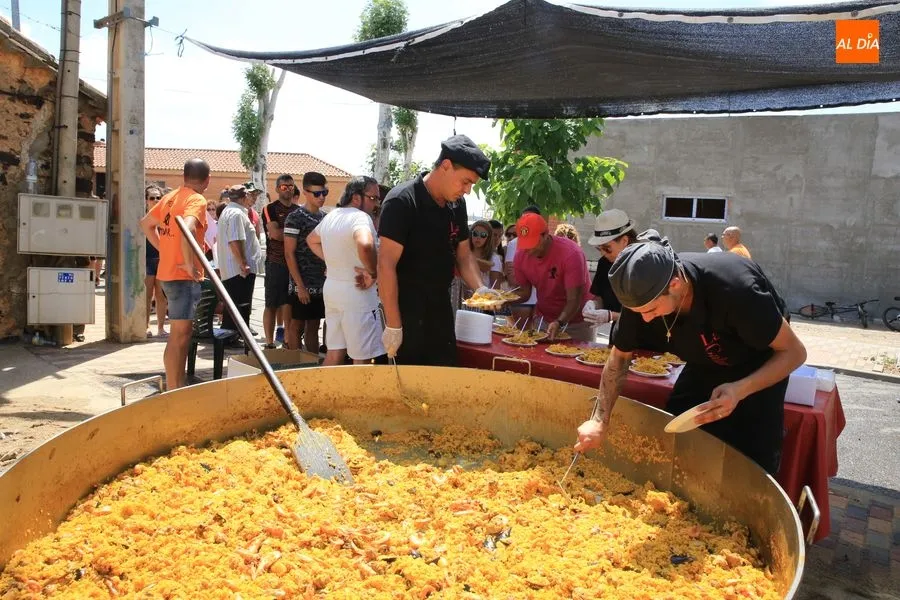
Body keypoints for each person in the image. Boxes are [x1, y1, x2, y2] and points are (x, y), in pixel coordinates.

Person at [574, 242, 806, 474]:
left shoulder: (735, 289)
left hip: (759, 364)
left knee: (751, 456)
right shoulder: (641, 298)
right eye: (638, 312)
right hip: (704, 361)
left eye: (651, 310)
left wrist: (740, 389)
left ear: (675, 284)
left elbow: (794, 352)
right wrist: (599, 420)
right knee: (677, 433)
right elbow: (619, 359)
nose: (644, 320)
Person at [378, 134, 494, 366]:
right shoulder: (402, 201)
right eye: (465, 181)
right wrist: (393, 324)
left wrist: (480, 287)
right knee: (408, 383)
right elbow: (385, 265)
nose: (468, 190)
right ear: (446, 166)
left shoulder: (457, 204)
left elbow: (463, 254)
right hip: (406, 307)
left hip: (440, 305)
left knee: (445, 375)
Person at [139, 158, 210, 390]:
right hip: (182, 277)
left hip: (168, 273)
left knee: (181, 335)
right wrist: (189, 263)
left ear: (184, 176)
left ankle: (175, 385)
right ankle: (173, 388)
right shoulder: (196, 199)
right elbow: (187, 227)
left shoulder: (170, 197)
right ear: (207, 180)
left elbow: (146, 224)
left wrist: (165, 249)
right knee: (179, 336)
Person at [307, 176, 384, 366]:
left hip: (333, 289)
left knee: (334, 353)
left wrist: (334, 260)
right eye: (373, 198)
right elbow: (365, 244)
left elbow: (311, 240)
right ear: (357, 198)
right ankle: (358, 396)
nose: (376, 204)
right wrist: (373, 272)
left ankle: (320, 395)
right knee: (362, 357)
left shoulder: (332, 216)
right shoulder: (360, 217)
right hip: (357, 293)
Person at [507, 213, 592, 341]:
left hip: (578, 322)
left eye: (533, 243)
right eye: (525, 243)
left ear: (546, 235)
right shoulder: (520, 256)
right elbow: (524, 292)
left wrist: (559, 322)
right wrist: (501, 301)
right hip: (544, 319)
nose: (528, 249)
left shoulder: (571, 253)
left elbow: (574, 299)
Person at [582, 209, 659, 328]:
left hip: (649, 336)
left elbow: (651, 315)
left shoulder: (646, 265)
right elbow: (600, 296)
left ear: (624, 241)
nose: (603, 253)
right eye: (599, 249)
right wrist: (593, 305)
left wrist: (612, 316)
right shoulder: (604, 263)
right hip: (619, 334)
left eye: (607, 248)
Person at [284, 172, 328, 353]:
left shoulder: (326, 217)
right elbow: (289, 254)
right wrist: (300, 286)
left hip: (321, 283)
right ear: (305, 192)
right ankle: (295, 367)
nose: (322, 197)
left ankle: (312, 366)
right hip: (301, 283)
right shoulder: (295, 217)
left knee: (314, 325)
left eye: (324, 192)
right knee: (296, 325)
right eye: (317, 193)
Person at [216, 185, 263, 336]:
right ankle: (234, 337)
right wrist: (243, 263)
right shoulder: (236, 213)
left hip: (234, 270)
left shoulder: (230, 211)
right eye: (249, 195)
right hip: (238, 271)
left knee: (237, 305)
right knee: (239, 305)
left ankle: (235, 336)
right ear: (244, 197)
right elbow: (235, 240)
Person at [261, 174, 300, 348]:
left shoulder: (298, 211)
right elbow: (275, 234)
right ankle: (269, 342)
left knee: (288, 304)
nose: (288, 189)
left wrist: (289, 235)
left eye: (291, 186)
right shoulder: (270, 209)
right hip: (275, 262)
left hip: (294, 264)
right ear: (277, 189)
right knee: (271, 304)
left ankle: (287, 341)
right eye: (284, 187)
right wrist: (295, 234)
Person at [503, 206, 541, 323]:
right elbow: (512, 278)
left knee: (539, 337)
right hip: (521, 301)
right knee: (520, 337)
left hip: (542, 301)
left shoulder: (545, 242)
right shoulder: (514, 244)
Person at [144, 185, 168, 338]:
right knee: (146, 295)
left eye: (158, 197)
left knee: (161, 295)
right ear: (146, 200)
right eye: (152, 197)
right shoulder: (145, 219)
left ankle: (160, 328)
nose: (156, 200)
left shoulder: (165, 218)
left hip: (162, 259)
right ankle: (145, 326)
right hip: (146, 259)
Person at [469, 220, 503, 288]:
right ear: (470, 234)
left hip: (483, 297)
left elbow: (496, 288)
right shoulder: (462, 253)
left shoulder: (494, 258)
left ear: (488, 238)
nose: (478, 237)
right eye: (475, 233)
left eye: (483, 235)